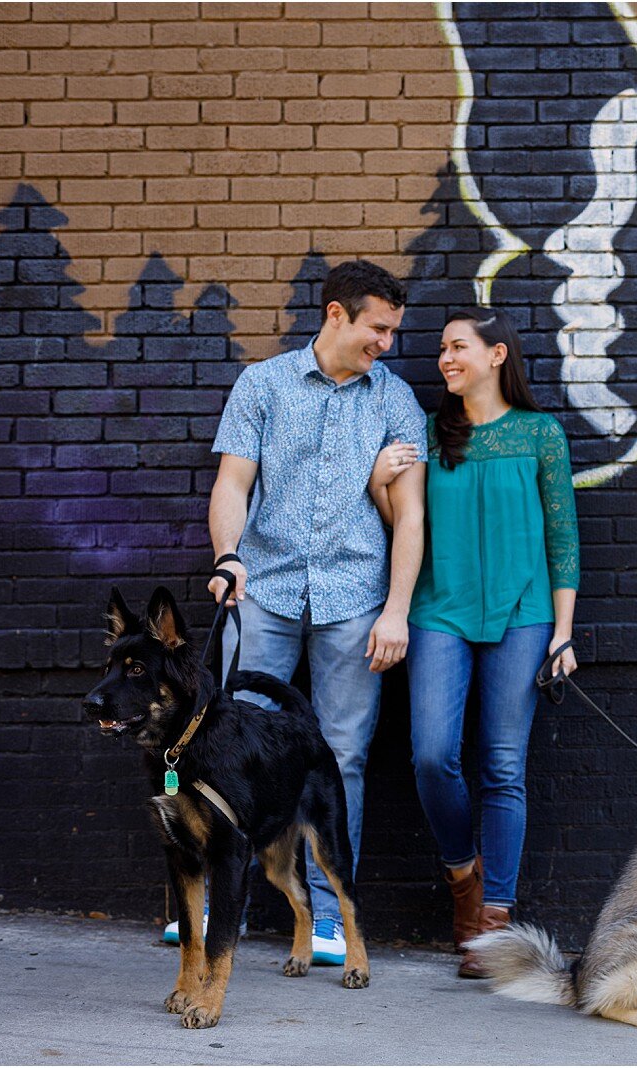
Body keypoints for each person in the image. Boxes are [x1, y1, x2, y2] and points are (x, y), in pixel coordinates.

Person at [192, 260, 428, 965]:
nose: (386, 342)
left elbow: (410, 515)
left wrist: (396, 611)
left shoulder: (396, 400)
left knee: (343, 756)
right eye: (377, 328)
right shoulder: (262, 386)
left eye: (393, 330)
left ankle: (329, 919)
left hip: (355, 599)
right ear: (335, 314)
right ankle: (207, 907)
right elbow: (233, 482)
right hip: (261, 589)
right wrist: (227, 556)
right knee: (228, 747)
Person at [369, 307, 579, 978]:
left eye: (457, 347)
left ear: (496, 355)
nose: (444, 359)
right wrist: (379, 482)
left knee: (503, 767)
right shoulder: (430, 435)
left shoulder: (541, 433)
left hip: (524, 615)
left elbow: (563, 537)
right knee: (432, 755)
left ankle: (492, 924)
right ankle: (464, 871)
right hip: (440, 610)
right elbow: (404, 524)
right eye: (440, 350)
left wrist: (564, 633)